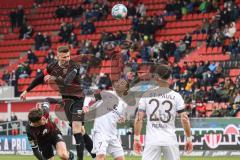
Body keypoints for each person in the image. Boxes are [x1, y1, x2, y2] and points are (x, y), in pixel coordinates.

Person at [20, 45, 96, 160]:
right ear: (58, 56)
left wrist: (53, 78)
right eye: (64, 57)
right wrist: (27, 90)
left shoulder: (74, 65)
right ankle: (95, 155)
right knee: (81, 130)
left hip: (78, 98)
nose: (67, 59)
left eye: (68, 56)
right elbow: (40, 78)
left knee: (76, 128)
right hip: (66, 100)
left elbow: (67, 81)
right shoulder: (52, 66)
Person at [133, 64, 193, 160]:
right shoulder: (176, 96)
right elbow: (185, 119)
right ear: (170, 78)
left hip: (152, 140)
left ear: (156, 77)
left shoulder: (146, 94)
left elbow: (138, 118)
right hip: (170, 140)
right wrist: (189, 139)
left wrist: (136, 138)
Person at [85, 79, 129, 160]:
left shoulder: (123, 104)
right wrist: (86, 105)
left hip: (113, 134)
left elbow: (121, 118)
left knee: (120, 158)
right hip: (100, 132)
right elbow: (90, 97)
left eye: (122, 84)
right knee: (100, 157)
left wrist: (122, 119)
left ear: (126, 89)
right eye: (118, 83)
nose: (119, 84)